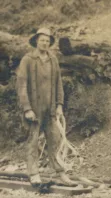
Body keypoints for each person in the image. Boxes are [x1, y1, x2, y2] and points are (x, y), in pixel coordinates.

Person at [16, 28, 74, 186]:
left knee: (54, 139)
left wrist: (59, 105)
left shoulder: (53, 59)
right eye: (42, 40)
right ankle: (34, 174)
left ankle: (60, 172)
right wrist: (27, 108)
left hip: (51, 108)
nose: (45, 43)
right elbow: (21, 86)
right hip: (34, 108)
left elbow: (58, 84)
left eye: (47, 41)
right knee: (33, 141)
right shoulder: (28, 60)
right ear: (36, 41)